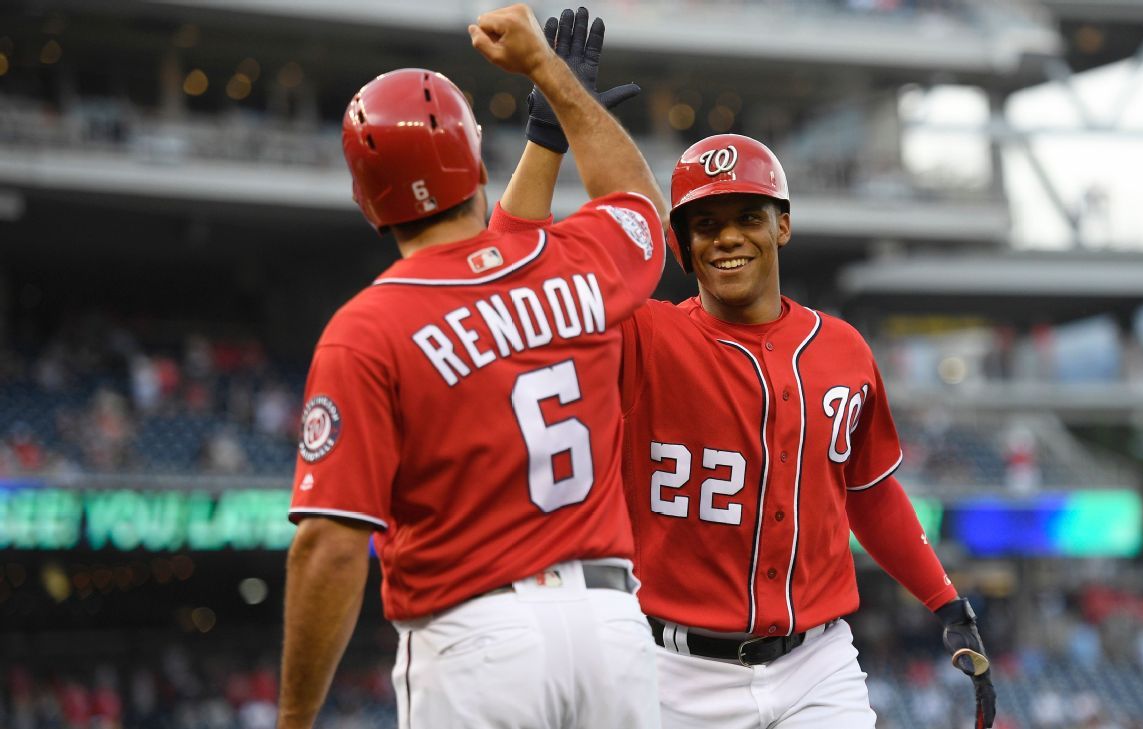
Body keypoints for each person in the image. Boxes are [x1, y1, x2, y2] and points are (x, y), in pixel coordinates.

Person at [495, 116, 997, 729]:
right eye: (706, 225)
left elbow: (868, 493)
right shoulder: (646, 335)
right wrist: (549, 140)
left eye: (748, 218)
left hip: (818, 662)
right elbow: (515, 275)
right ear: (681, 242)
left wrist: (946, 603)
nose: (727, 238)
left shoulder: (842, 348)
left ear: (781, 224)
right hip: (670, 670)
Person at [276, 4, 667, 728]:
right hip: (612, 631)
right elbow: (637, 204)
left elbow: (329, 549)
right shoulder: (573, 260)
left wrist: (294, 717)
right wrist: (554, 81)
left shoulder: (368, 328)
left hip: (477, 641)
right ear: (475, 160)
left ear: (367, 201)